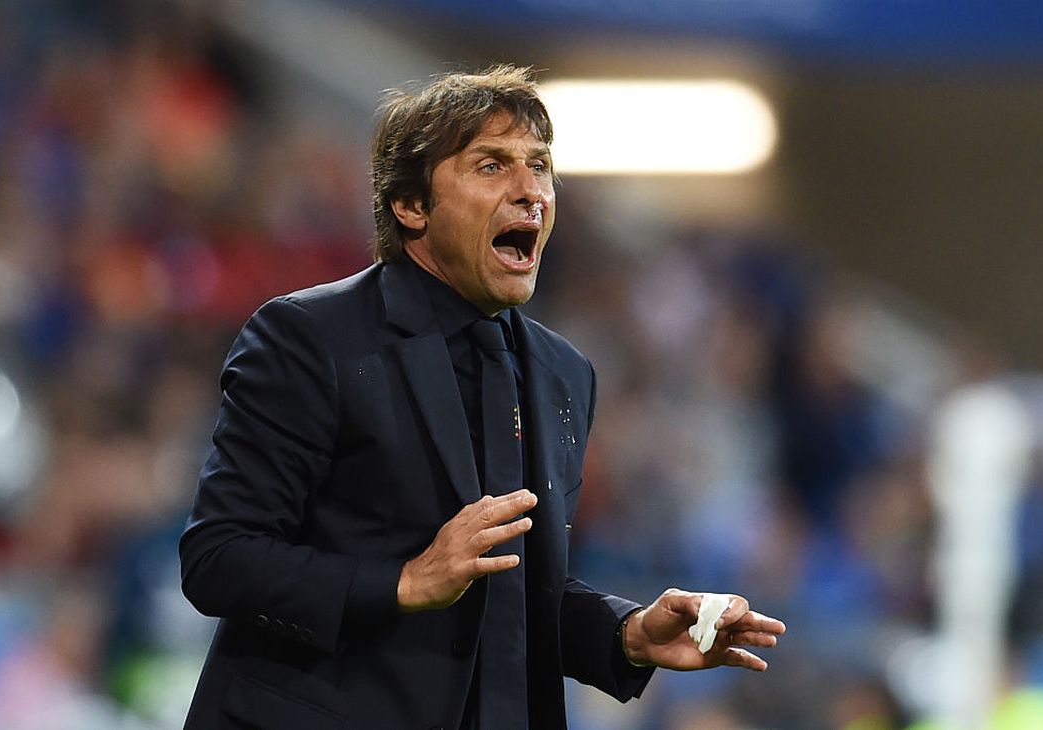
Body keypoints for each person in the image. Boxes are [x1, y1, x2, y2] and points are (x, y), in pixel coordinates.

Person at [179, 64, 786, 730]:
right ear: (412, 205)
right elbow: (220, 558)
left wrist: (628, 633)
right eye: (492, 166)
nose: (531, 191)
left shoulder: (564, 373)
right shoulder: (310, 337)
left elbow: (517, 595)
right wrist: (404, 582)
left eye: (540, 166)